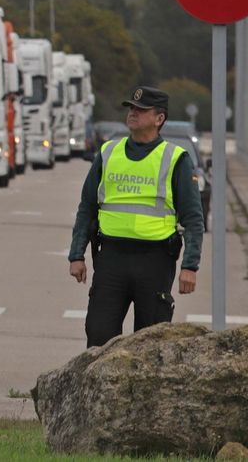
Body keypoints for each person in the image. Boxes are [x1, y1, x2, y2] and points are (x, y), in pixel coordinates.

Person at [66, 86, 204, 347]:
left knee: (150, 345)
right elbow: (87, 207)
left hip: (155, 261)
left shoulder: (176, 159)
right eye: (131, 108)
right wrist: (76, 255)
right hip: (111, 260)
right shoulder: (108, 153)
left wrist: (190, 266)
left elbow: (194, 218)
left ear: (159, 118)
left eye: (141, 110)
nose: (133, 113)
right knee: (98, 336)